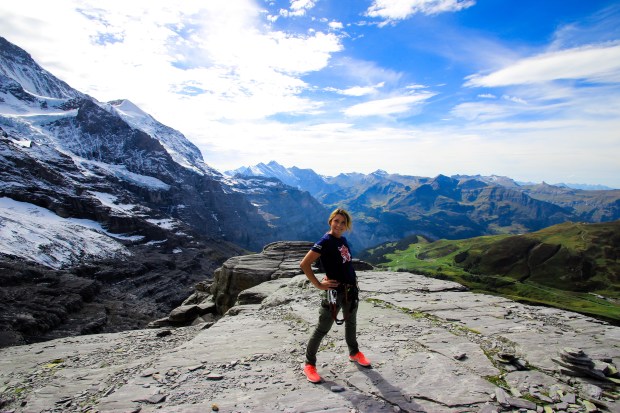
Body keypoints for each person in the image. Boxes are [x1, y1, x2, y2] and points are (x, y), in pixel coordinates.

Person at [299, 207, 371, 384]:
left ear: (346, 226)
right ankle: (309, 364)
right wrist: (318, 284)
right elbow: (304, 264)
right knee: (323, 328)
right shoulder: (325, 241)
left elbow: (344, 264)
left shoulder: (343, 240)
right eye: (336, 221)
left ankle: (354, 353)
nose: (339, 225)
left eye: (342, 222)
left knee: (351, 322)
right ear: (330, 221)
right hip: (334, 292)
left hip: (350, 290)